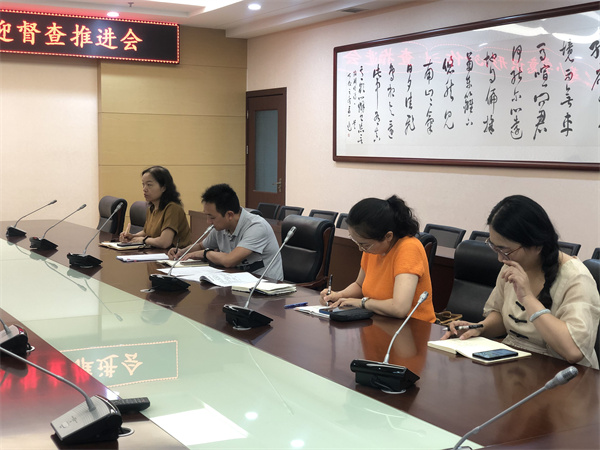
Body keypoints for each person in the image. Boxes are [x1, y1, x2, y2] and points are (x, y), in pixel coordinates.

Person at [442, 195, 600, 369]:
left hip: (564, 373)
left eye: (504, 250)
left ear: (537, 245)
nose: (500, 258)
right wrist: (480, 328)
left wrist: (528, 299)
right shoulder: (511, 265)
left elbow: (573, 351)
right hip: (516, 364)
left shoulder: (577, 278)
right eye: (494, 247)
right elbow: (501, 316)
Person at [320, 196, 436, 323]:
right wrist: (339, 295)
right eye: (356, 242)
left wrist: (361, 303)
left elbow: (399, 308)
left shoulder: (409, 248)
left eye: (364, 244)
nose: (360, 249)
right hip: (379, 320)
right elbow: (360, 285)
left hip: (413, 326)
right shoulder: (373, 247)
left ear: (388, 236)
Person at [167, 183, 283, 281]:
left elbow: (229, 260)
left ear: (229, 215)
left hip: (264, 289)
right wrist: (182, 252)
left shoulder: (256, 227)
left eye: (212, 217)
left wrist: (205, 254)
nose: (208, 222)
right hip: (238, 282)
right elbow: (201, 246)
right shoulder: (221, 227)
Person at [119, 166, 191, 249]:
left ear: (163, 187)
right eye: (143, 184)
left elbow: (164, 242)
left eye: (149, 185)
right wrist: (132, 236)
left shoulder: (173, 208)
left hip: (174, 255)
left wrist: (143, 240)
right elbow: (146, 232)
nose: (144, 189)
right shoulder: (152, 208)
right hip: (156, 252)